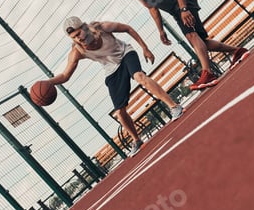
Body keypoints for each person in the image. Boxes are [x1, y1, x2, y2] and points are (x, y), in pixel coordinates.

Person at [49, 16, 183, 157]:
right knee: (119, 112)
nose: (78, 39)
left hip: (125, 53)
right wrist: (48, 82)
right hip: (111, 69)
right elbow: (65, 75)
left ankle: (174, 106)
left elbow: (127, 28)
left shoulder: (102, 28)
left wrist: (145, 48)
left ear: (84, 27)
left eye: (78, 34)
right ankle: (136, 140)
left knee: (139, 77)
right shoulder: (78, 51)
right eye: (74, 37)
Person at [103, 0, 250, 90]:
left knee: (192, 37)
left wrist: (184, 9)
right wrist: (161, 30)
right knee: (202, 43)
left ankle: (208, 73)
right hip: (175, 11)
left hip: (184, 2)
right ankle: (237, 51)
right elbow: (152, 8)